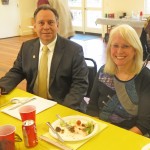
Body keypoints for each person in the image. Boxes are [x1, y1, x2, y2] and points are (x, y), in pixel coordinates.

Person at [0, 5, 88, 111]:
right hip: (35, 103)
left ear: (57, 25)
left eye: (51, 22)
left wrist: (64, 109)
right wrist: (1, 86)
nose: (46, 27)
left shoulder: (74, 50)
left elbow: (80, 84)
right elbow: (17, 71)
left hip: (62, 104)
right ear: (35, 26)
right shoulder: (27, 47)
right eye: (41, 23)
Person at [86, 24, 150, 136]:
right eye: (115, 45)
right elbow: (92, 108)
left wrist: (119, 140)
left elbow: (144, 124)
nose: (119, 51)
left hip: (130, 136)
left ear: (135, 50)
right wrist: (97, 132)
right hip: (100, 131)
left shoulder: (145, 77)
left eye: (126, 46)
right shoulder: (103, 71)